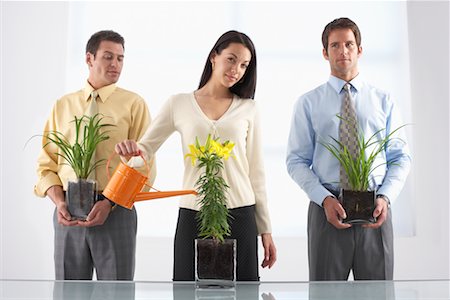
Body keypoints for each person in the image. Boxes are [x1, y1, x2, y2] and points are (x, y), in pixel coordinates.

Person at [115, 30, 277, 281]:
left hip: (241, 214)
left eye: (244, 65)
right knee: (186, 289)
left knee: (244, 292)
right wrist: (128, 154)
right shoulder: (178, 104)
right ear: (214, 56)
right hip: (193, 212)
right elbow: (145, 149)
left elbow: (256, 172)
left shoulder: (249, 108)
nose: (236, 69)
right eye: (231, 59)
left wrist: (265, 229)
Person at [286, 18, 411, 281]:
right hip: (327, 211)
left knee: (379, 295)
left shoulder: (383, 101)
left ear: (359, 50)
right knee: (325, 295)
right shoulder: (308, 103)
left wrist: (385, 198)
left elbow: (400, 157)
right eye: (335, 45)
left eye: (349, 44)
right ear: (324, 52)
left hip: (375, 211)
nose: (343, 51)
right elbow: (296, 160)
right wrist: (325, 199)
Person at [34, 30, 155, 280]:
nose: (115, 64)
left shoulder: (134, 104)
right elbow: (47, 164)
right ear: (89, 58)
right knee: (69, 293)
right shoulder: (63, 105)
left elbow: (144, 166)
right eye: (108, 57)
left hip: (117, 211)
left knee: (116, 294)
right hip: (68, 210)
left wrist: (109, 202)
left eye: (120, 58)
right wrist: (59, 202)